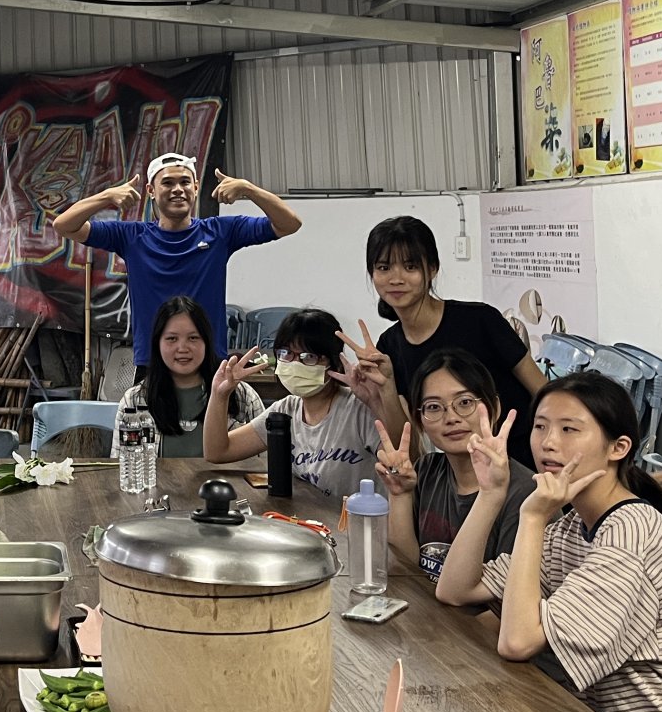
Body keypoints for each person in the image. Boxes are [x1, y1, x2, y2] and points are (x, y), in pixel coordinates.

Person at [436, 371, 662, 712]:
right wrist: (491, 493)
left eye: (569, 429)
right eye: (540, 427)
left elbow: (517, 643)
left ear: (618, 447)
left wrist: (533, 518)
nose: (549, 443)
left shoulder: (631, 535)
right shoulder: (572, 526)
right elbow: (456, 590)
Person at [54, 153, 300, 378]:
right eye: (168, 183)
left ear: (196, 187)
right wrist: (106, 196)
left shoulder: (221, 232)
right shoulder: (131, 237)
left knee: (214, 416)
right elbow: (64, 225)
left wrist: (248, 188)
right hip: (153, 364)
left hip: (208, 362)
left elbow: (289, 224)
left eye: (184, 182)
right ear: (151, 190)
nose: (178, 189)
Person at [363, 215, 546, 464]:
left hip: (522, 461)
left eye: (410, 266)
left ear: (432, 269)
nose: (396, 279)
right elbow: (408, 447)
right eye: (384, 268)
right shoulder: (389, 346)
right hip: (461, 470)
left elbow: (544, 392)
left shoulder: (480, 320)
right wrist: (382, 391)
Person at [201, 307, 407, 499]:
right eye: (286, 354)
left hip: (358, 521)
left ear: (334, 362)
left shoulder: (357, 408)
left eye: (309, 357)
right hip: (310, 518)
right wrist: (220, 395)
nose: (295, 364)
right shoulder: (285, 410)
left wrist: (380, 398)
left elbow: (405, 459)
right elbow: (218, 451)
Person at [373, 348, 534, 583]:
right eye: (434, 407)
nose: (451, 418)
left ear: (495, 407)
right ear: (420, 420)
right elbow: (406, 571)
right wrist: (400, 495)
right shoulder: (426, 470)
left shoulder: (527, 494)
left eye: (465, 402)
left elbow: (513, 597)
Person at [111, 296, 263, 459]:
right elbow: (119, 466)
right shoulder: (134, 401)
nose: (182, 348)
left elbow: (265, 463)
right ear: (157, 344)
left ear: (206, 342)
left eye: (193, 338)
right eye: (172, 339)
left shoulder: (242, 396)